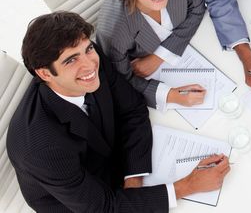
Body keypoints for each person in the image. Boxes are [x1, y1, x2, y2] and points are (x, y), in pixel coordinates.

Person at [6, 12, 230, 213]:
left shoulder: (93, 61)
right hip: (77, 201)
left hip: (112, 160)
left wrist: (133, 177)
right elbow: (103, 208)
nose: (89, 65)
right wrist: (187, 186)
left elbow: (133, 109)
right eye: (71, 60)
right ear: (45, 74)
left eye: (87, 49)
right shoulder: (39, 149)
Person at [96, 0, 206, 111]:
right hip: (155, 80)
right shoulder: (114, 29)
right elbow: (121, 79)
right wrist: (170, 95)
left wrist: (159, 57)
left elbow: (198, 8)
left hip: (192, 50)